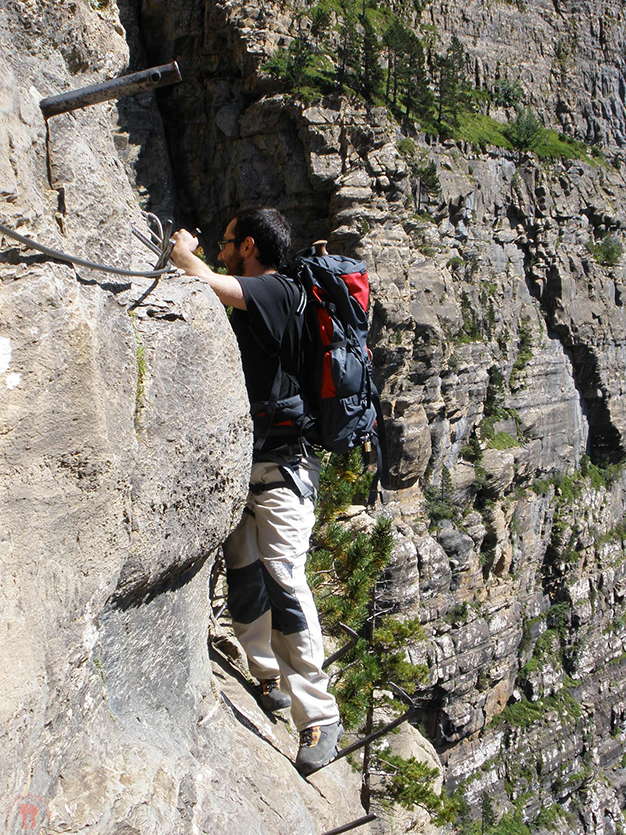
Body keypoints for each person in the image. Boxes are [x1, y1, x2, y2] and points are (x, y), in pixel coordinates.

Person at [171, 208, 342, 775]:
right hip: (246, 463)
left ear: (248, 247)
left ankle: (318, 714)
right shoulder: (269, 295)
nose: (220, 249)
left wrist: (182, 250)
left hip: (284, 470)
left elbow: (208, 281)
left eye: (226, 242)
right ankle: (267, 676)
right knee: (245, 574)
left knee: (285, 578)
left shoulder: (274, 291)